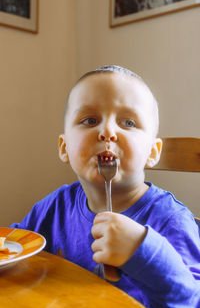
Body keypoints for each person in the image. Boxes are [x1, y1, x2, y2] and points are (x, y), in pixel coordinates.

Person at [10, 65, 200, 307]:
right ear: (64, 147)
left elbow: (191, 300)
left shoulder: (172, 220)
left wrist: (144, 250)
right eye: (90, 120)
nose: (107, 131)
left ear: (152, 152)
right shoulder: (54, 208)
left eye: (128, 123)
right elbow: (12, 249)